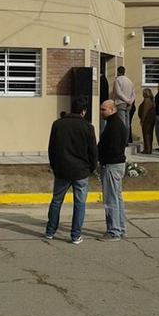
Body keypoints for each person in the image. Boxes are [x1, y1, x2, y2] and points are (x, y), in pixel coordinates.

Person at [45, 96, 98, 245]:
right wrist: (92, 167)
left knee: (56, 201)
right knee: (79, 203)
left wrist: (54, 166)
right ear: (84, 111)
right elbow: (93, 151)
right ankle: (75, 235)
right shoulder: (88, 127)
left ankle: (50, 231)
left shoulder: (57, 124)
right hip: (81, 171)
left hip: (62, 169)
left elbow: (51, 148)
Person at [98, 99, 128, 242]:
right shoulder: (114, 123)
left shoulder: (114, 125)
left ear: (112, 110)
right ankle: (120, 228)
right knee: (117, 197)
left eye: (104, 109)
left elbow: (113, 147)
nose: (101, 112)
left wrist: (102, 159)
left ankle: (114, 230)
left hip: (112, 165)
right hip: (116, 164)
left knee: (111, 199)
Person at [111, 66, 136, 133]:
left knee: (122, 122)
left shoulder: (117, 80)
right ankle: (126, 140)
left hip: (120, 103)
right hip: (129, 104)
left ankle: (122, 139)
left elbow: (118, 93)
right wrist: (130, 101)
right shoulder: (129, 81)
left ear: (118, 72)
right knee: (127, 123)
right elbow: (133, 94)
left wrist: (126, 100)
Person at [138, 88, 156, 154]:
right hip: (151, 120)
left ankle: (147, 149)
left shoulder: (147, 101)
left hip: (147, 120)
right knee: (150, 134)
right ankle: (149, 148)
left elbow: (145, 111)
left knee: (146, 134)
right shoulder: (152, 100)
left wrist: (142, 120)